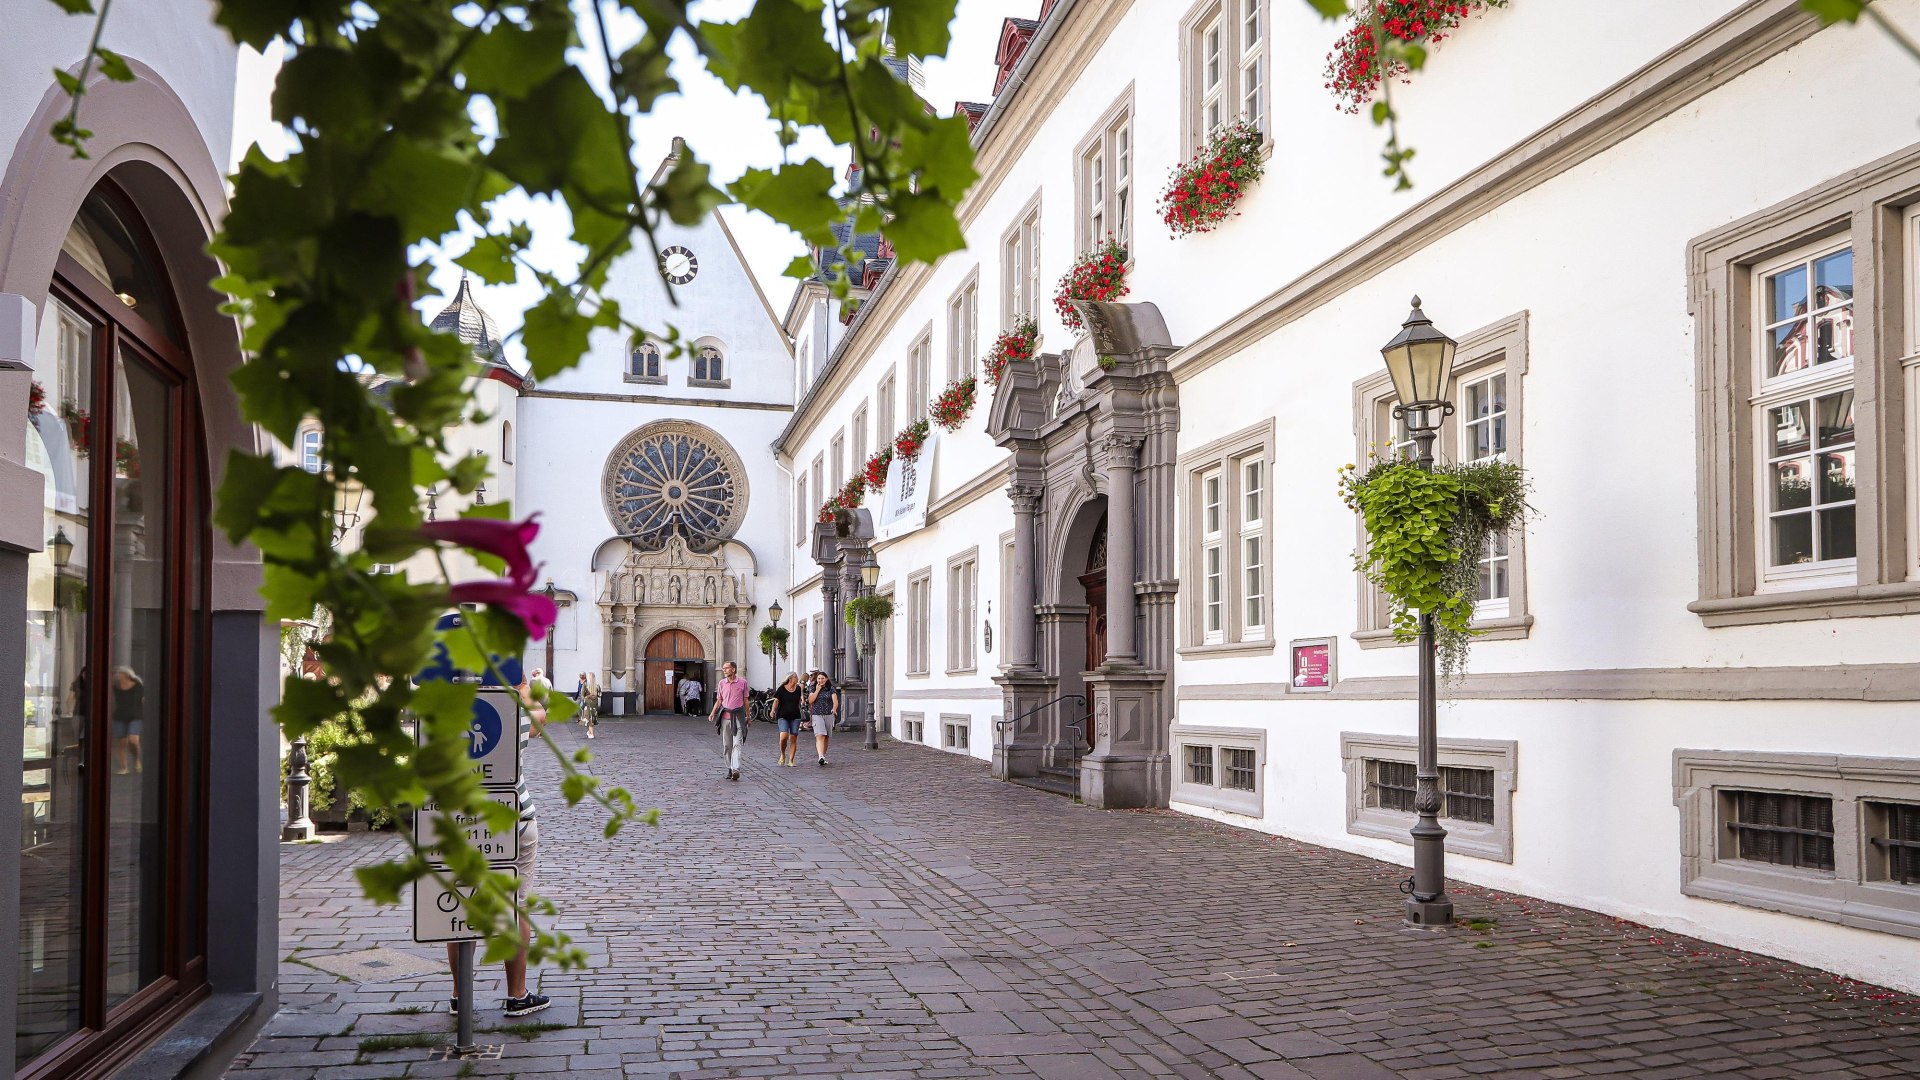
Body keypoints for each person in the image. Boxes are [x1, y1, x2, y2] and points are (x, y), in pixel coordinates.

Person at [448, 675, 549, 1017]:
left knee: (462, 908)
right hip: (513, 818)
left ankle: (461, 995)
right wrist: (521, 687)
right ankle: (517, 994)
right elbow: (540, 718)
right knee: (514, 906)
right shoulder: (512, 715)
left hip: (461, 821)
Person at [709, 661, 750, 781]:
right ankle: (729, 768)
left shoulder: (742, 683)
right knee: (727, 745)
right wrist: (712, 713)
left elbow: (746, 701)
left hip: (738, 717)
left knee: (737, 743)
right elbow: (719, 700)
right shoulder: (722, 683)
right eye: (723, 669)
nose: (724, 670)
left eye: (726, 668)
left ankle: (735, 768)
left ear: (733, 669)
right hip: (725, 717)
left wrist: (748, 716)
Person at [111, 666, 143, 775]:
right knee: (122, 742)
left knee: (133, 740)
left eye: (120, 673)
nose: (117, 675)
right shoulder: (115, 687)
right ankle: (124, 767)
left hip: (135, 716)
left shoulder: (138, 686)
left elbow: (143, 700)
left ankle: (136, 760)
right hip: (119, 716)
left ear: (126, 675)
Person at [771, 672, 806, 767]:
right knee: (784, 736)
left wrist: (802, 700)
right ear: (791, 678)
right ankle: (782, 754)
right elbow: (776, 700)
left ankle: (791, 760)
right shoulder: (782, 689)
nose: (797, 679)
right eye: (796, 677)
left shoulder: (798, 688)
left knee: (793, 738)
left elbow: (799, 698)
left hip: (795, 716)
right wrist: (773, 710)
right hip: (783, 716)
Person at [807, 669, 839, 767]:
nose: (820, 680)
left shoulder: (831, 688)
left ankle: (823, 756)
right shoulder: (812, 687)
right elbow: (810, 701)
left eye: (822, 678)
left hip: (828, 714)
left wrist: (834, 709)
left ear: (826, 679)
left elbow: (835, 701)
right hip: (817, 714)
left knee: (826, 737)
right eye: (819, 678)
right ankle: (820, 756)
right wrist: (817, 690)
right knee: (820, 735)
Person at [577, 671, 599, 739]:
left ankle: (591, 733)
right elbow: (599, 694)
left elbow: (582, 695)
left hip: (587, 704)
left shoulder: (585, 685)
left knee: (588, 718)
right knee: (591, 718)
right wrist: (593, 696)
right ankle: (590, 732)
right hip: (594, 704)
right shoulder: (597, 686)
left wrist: (588, 696)